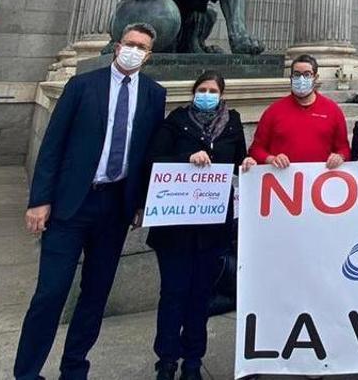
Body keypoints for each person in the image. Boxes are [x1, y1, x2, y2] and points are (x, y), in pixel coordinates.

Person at [15, 23, 168, 380]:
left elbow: (147, 154)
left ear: (149, 55)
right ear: (117, 47)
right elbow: (53, 144)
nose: (134, 50)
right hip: (71, 205)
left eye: (141, 47)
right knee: (50, 293)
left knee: (95, 294)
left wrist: (141, 202)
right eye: (129, 44)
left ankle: (74, 368)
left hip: (115, 208)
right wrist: (39, 200)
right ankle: (26, 372)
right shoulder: (83, 85)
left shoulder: (153, 94)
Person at [144, 71, 245, 380]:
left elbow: (241, 159)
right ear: (193, 91)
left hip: (212, 230)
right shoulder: (176, 121)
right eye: (202, 89)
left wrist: (249, 163)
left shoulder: (232, 123)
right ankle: (166, 360)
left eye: (213, 90)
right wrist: (186, 157)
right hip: (175, 229)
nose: (207, 94)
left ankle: (192, 361)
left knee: (201, 296)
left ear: (222, 94)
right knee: (173, 294)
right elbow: (153, 159)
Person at [243, 54, 349, 172]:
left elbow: (344, 149)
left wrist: (340, 157)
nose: (301, 79)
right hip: (283, 181)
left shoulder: (332, 110)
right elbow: (256, 150)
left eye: (307, 74)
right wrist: (271, 159)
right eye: (297, 74)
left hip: (319, 182)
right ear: (291, 77)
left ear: (315, 77)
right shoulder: (273, 111)